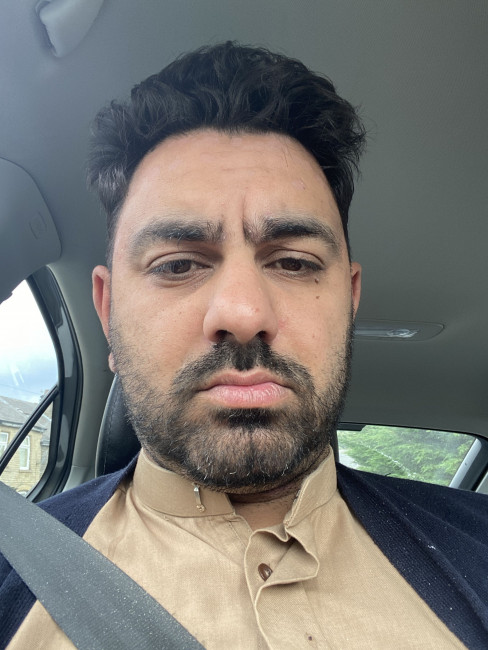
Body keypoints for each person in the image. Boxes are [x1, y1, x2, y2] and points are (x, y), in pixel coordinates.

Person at [1, 42, 488, 649]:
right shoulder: (15, 575)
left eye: (293, 261)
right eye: (178, 264)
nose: (243, 313)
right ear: (108, 311)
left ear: (350, 299)